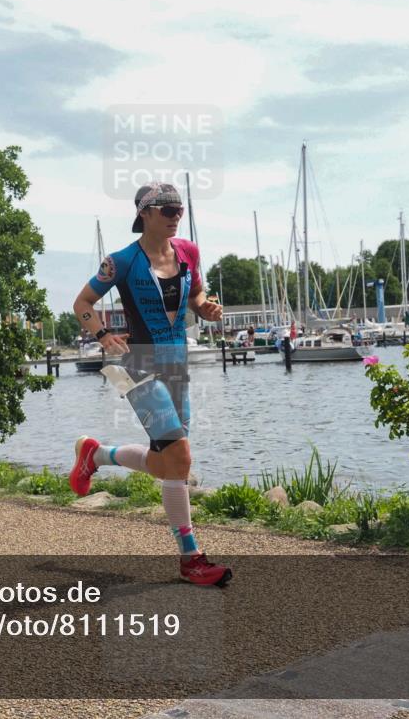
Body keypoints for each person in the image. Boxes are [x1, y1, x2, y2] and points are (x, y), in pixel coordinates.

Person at [70, 182, 232, 587]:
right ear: (145, 213)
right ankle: (190, 557)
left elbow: (195, 299)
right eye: (167, 209)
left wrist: (207, 308)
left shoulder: (189, 253)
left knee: (165, 463)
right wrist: (104, 336)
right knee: (180, 458)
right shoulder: (122, 261)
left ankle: (97, 455)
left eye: (179, 208)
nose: (176, 214)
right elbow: (82, 304)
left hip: (177, 364)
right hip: (139, 364)